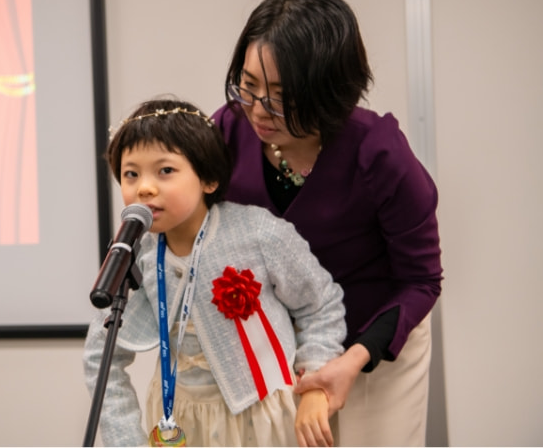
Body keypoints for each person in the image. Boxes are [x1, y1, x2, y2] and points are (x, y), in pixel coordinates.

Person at [211, 0, 443, 446]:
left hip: (373, 341)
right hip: (281, 345)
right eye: (248, 86)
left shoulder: (379, 152)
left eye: (280, 95)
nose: (258, 109)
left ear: (329, 89)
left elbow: (421, 281)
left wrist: (353, 358)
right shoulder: (227, 132)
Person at [83, 97, 347, 447]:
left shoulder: (258, 233)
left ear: (208, 179)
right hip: (179, 422)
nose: (144, 187)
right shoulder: (137, 254)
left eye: (165, 171)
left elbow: (320, 306)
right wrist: (125, 440)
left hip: (264, 415)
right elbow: (101, 357)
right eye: (131, 174)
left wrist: (314, 383)